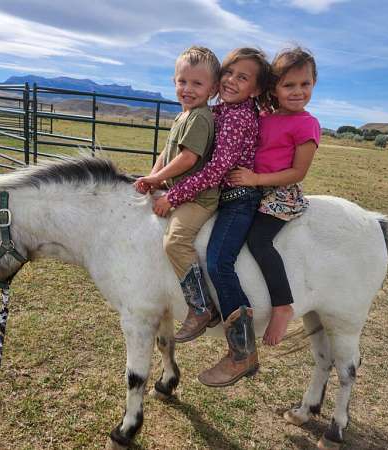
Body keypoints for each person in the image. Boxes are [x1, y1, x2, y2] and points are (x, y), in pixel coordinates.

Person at [152, 48, 272, 387]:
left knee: (220, 261)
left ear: (257, 89)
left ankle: (242, 351)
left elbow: (218, 169)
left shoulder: (237, 117)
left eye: (242, 77)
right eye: (229, 73)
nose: (232, 81)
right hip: (222, 196)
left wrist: (173, 195)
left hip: (238, 200)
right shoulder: (220, 110)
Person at [228, 47, 321, 347]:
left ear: (313, 84)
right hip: (253, 187)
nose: (298, 92)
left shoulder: (307, 125)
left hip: (281, 193)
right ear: (274, 88)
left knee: (258, 240)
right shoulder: (265, 115)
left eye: (304, 84)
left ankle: (282, 305)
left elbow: (297, 173)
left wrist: (256, 179)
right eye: (288, 85)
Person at [134, 46, 221, 341]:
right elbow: (167, 152)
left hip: (198, 198)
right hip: (178, 189)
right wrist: (153, 177)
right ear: (174, 82)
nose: (188, 89)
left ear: (212, 89)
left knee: (175, 241)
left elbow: (187, 159)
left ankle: (200, 306)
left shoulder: (199, 117)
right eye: (183, 81)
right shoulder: (182, 116)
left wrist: (158, 177)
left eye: (197, 83)